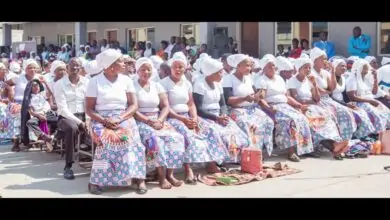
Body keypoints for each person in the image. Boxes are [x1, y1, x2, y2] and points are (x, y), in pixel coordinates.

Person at [161, 52, 228, 184]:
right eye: (176, 67)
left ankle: (212, 163)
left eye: (181, 67)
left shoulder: (187, 83)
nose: (178, 70)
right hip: (173, 117)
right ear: (171, 68)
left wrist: (195, 118)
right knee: (187, 135)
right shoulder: (164, 83)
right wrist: (182, 119)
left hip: (187, 116)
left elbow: (191, 103)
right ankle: (188, 169)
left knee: (208, 130)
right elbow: (166, 107)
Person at [85, 49, 147, 195]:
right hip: (100, 118)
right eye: (120, 61)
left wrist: (120, 118)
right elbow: (89, 109)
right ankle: (96, 180)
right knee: (106, 140)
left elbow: (133, 105)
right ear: (111, 65)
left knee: (132, 140)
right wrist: (105, 121)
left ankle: (139, 178)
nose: (124, 63)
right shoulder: (94, 82)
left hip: (123, 116)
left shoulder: (126, 80)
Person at [133, 57, 186, 189]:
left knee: (176, 138)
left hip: (158, 119)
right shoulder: (132, 86)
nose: (146, 72)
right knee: (154, 140)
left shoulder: (157, 85)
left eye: (149, 69)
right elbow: (132, 109)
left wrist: (160, 120)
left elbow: (165, 106)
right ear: (137, 71)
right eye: (143, 69)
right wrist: (148, 121)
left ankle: (170, 174)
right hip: (140, 120)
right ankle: (161, 177)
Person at [255, 56, 314, 162]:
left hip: (284, 105)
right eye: (270, 66)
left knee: (301, 117)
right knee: (289, 121)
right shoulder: (262, 80)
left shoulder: (279, 79)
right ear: (264, 68)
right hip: (272, 107)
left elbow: (287, 96)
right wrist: (268, 108)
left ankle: (303, 149)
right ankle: (291, 152)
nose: (273, 67)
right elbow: (261, 99)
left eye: (274, 65)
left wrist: (298, 105)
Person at [287, 58, 347, 159]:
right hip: (300, 106)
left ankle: (334, 144)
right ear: (299, 68)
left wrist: (314, 85)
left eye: (309, 67)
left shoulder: (309, 80)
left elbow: (317, 98)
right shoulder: (293, 80)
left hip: (312, 106)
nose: (308, 69)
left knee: (327, 118)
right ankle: (333, 147)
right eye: (305, 67)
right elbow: (297, 98)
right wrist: (309, 103)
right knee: (315, 121)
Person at [193, 57, 249, 163]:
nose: (222, 74)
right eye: (220, 72)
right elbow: (199, 109)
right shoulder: (199, 84)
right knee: (213, 132)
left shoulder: (218, 84)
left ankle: (232, 160)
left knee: (235, 131)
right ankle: (213, 163)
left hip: (219, 115)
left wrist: (224, 115)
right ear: (212, 73)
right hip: (205, 116)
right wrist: (216, 118)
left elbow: (223, 104)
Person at [222, 54, 275, 156]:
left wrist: (259, 95)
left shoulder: (249, 79)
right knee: (248, 124)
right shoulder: (228, 79)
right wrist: (244, 98)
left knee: (268, 121)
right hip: (236, 109)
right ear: (238, 66)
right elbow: (228, 100)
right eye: (247, 65)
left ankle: (261, 152)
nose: (249, 68)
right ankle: (249, 154)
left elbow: (254, 96)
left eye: (250, 66)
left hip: (251, 109)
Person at [310, 48, 357, 141]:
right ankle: (333, 140)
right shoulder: (311, 72)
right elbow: (320, 90)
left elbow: (331, 88)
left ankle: (345, 140)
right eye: (322, 59)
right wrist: (326, 91)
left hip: (327, 99)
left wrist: (332, 71)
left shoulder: (325, 72)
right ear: (315, 60)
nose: (325, 61)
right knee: (331, 115)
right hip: (317, 100)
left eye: (326, 58)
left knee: (345, 112)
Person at [53, 58, 89, 180]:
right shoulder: (59, 84)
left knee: (99, 126)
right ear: (67, 68)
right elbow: (63, 108)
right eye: (72, 66)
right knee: (72, 128)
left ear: (81, 68)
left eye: (78, 66)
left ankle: (98, 162)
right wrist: (81, 123)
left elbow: (88, 103)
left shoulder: (86, 82)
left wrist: (88, 120)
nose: (75, 68)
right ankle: (68, 166)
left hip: (84, 114)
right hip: (66, 116)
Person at [330, 59, 376, 139]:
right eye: (341, 66)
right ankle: (346, 138)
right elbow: (330, 96)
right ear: (335, 66)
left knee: (361, 112)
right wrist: (345, 104)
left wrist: (348, 103)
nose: (344, 68)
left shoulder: (343, 78)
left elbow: (344, 94)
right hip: (334, 102)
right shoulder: (331, 78)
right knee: (348, 114)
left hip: (342, 102)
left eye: (345, 66)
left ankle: (362, 135)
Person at [6, 59, 44, 151]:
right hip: (19, 102)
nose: (32, 70)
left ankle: (33, 139)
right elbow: (6, 84)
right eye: (30, 67)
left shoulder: (38, 77)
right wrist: (11, 91)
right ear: (25, 68)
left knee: (39, 112)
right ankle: (16, 141)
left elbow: (42, 91)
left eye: (34, 68)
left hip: (34, 102)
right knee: (18, 114)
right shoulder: (18, 78)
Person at [346, 59, 390, 133]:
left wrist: (375, 78)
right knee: (378, 116)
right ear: (358, 69)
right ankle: (376, 134)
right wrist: (370, 101)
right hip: (360, 103)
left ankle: (385, 133)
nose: (366, 72)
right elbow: (352, 97)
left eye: (367, 70)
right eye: (364, 70)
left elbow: (374, 92)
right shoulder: (352, 80)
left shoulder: (365, 79)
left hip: (370, 101)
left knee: (387, 113)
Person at [25, 79, 53, 151]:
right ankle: (44, 136)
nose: (36, 87)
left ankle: (55, 138)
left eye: (37, 85)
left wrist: (46, 83)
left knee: (59, 119)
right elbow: (31, 112)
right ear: (30, 88)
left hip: (47, 113)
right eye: (33, 86)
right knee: (30, 123)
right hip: (37, 115)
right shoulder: (28, 98)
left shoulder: (42, 94)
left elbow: (50, 93)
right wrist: (39, 116)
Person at [0, 63, 12, 141]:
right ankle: (2, 134)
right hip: (2, 103)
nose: (5, 71)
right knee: (2, 110)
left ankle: (8, 134)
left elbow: (10, 95)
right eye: (3, 69)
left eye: (5, 69)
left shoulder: (6, 81)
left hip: (5, 102)